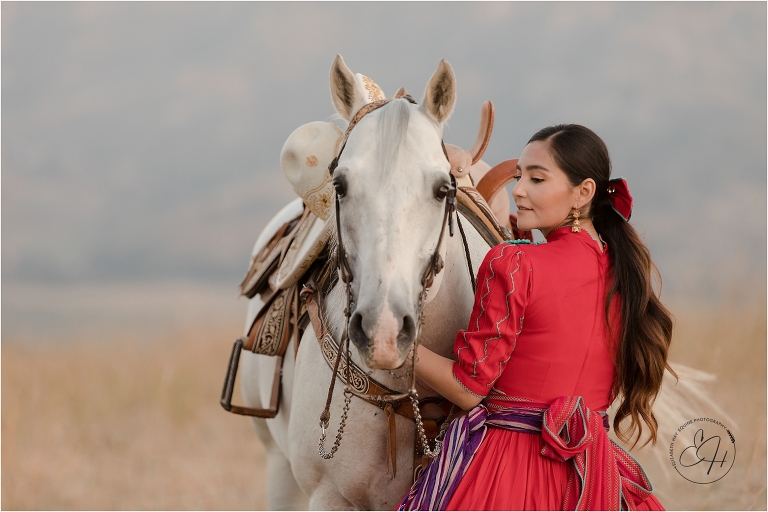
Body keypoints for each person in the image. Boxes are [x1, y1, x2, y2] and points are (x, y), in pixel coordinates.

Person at [397, 124, 672, 511]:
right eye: (519, 175)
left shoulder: (514, 265)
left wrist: (399, 346)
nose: (519, 190)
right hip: (592, 475)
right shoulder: (625, 271)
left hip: (503, 472)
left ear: (584, 192)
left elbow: (467, 389)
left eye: (536, 179)